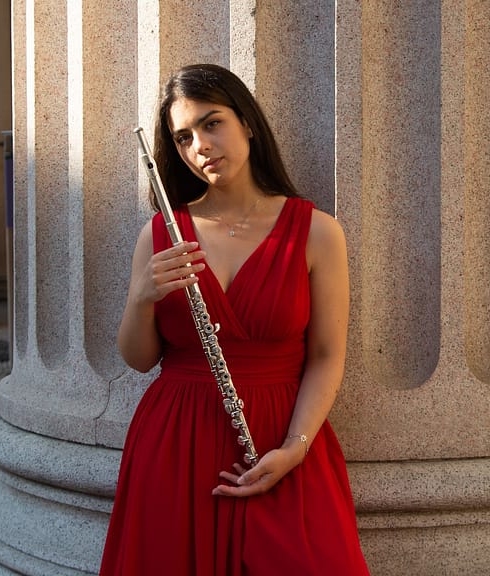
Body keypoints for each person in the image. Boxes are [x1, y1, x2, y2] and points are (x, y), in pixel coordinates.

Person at [101, 63, 370, 576]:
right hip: (175, 442)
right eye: (183, 137)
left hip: (280, 439)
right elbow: (139, 359)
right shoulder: (160, 233)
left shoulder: (318, 232)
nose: (200, 145)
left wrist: (295, 448)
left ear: (246, 121)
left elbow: (326, 356)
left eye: (212, 123)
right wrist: (141, 297)